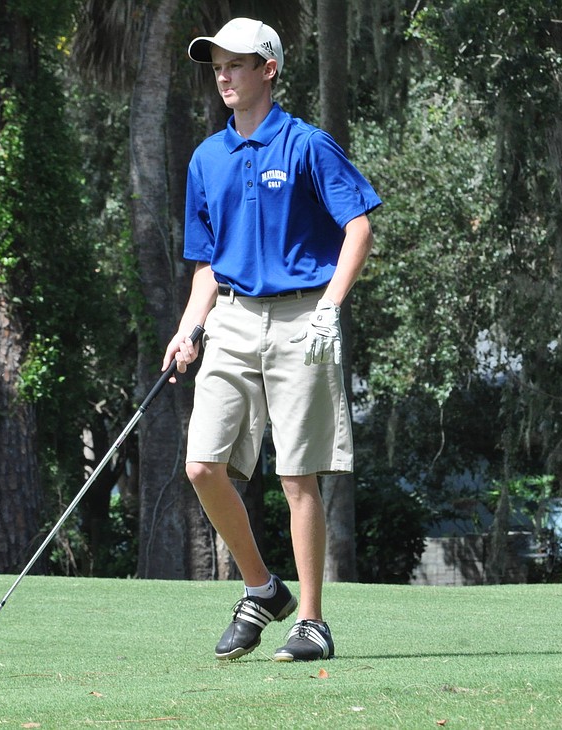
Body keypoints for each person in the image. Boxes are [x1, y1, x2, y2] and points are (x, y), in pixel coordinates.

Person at [162, 17, 381, 662]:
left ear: (269, 69)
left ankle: (310, 622)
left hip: (300, 317)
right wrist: (187, 328)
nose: (223, 76)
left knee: (296, 475)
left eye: (235, 64)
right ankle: (262, 588)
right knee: (202, 464)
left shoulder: (308, 145)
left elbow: (359, 226)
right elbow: (206, 263)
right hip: (229, 316)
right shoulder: (207, 158)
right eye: (217, 65)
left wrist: (331, 307)